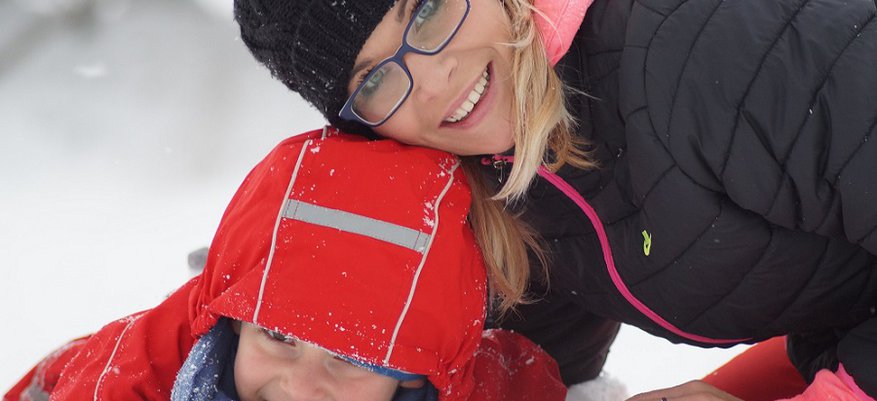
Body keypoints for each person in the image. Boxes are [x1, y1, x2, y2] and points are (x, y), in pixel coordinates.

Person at [232, 0, 877, 399]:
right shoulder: (501, 173)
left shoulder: (697, 49)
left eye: (425, 11)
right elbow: (542, 351)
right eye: (374, 80)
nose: (431, 80)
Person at [3, 130, 566, 401]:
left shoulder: (464, 383)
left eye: (350, 358)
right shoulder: (121, 381)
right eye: (277, 336)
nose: (300, 386)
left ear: (417, 378)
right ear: (233, 325)